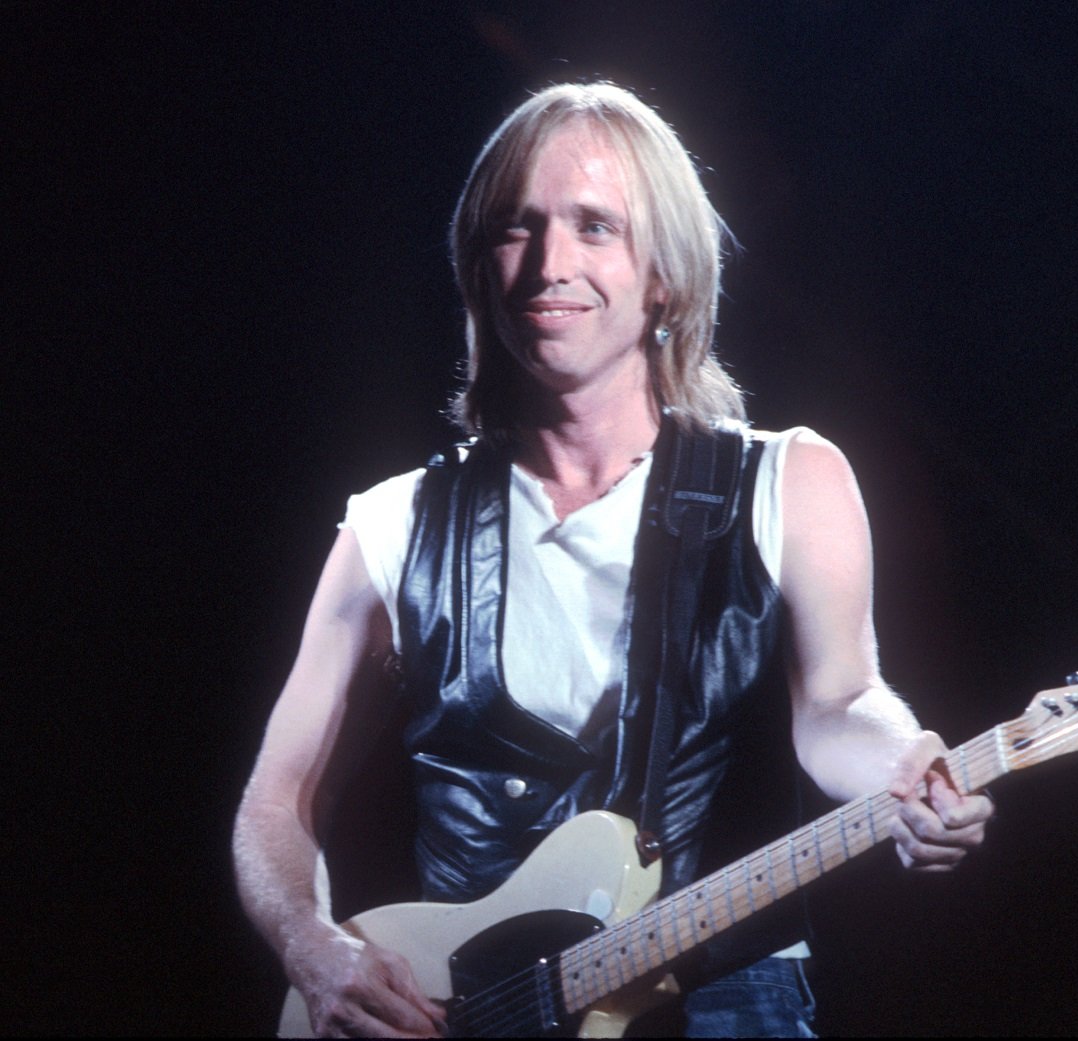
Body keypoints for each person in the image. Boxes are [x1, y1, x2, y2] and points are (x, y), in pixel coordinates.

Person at [233, 82, 994, 1039]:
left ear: (663, 274)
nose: (551, 263)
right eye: (518, 227)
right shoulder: (392, 528)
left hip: (724, 994)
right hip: (475, 1012)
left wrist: (907, 762)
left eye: (596, 226)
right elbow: (277, 796)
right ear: (480, 268)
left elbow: (842, 702)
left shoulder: (791, 479)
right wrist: (311, 943)